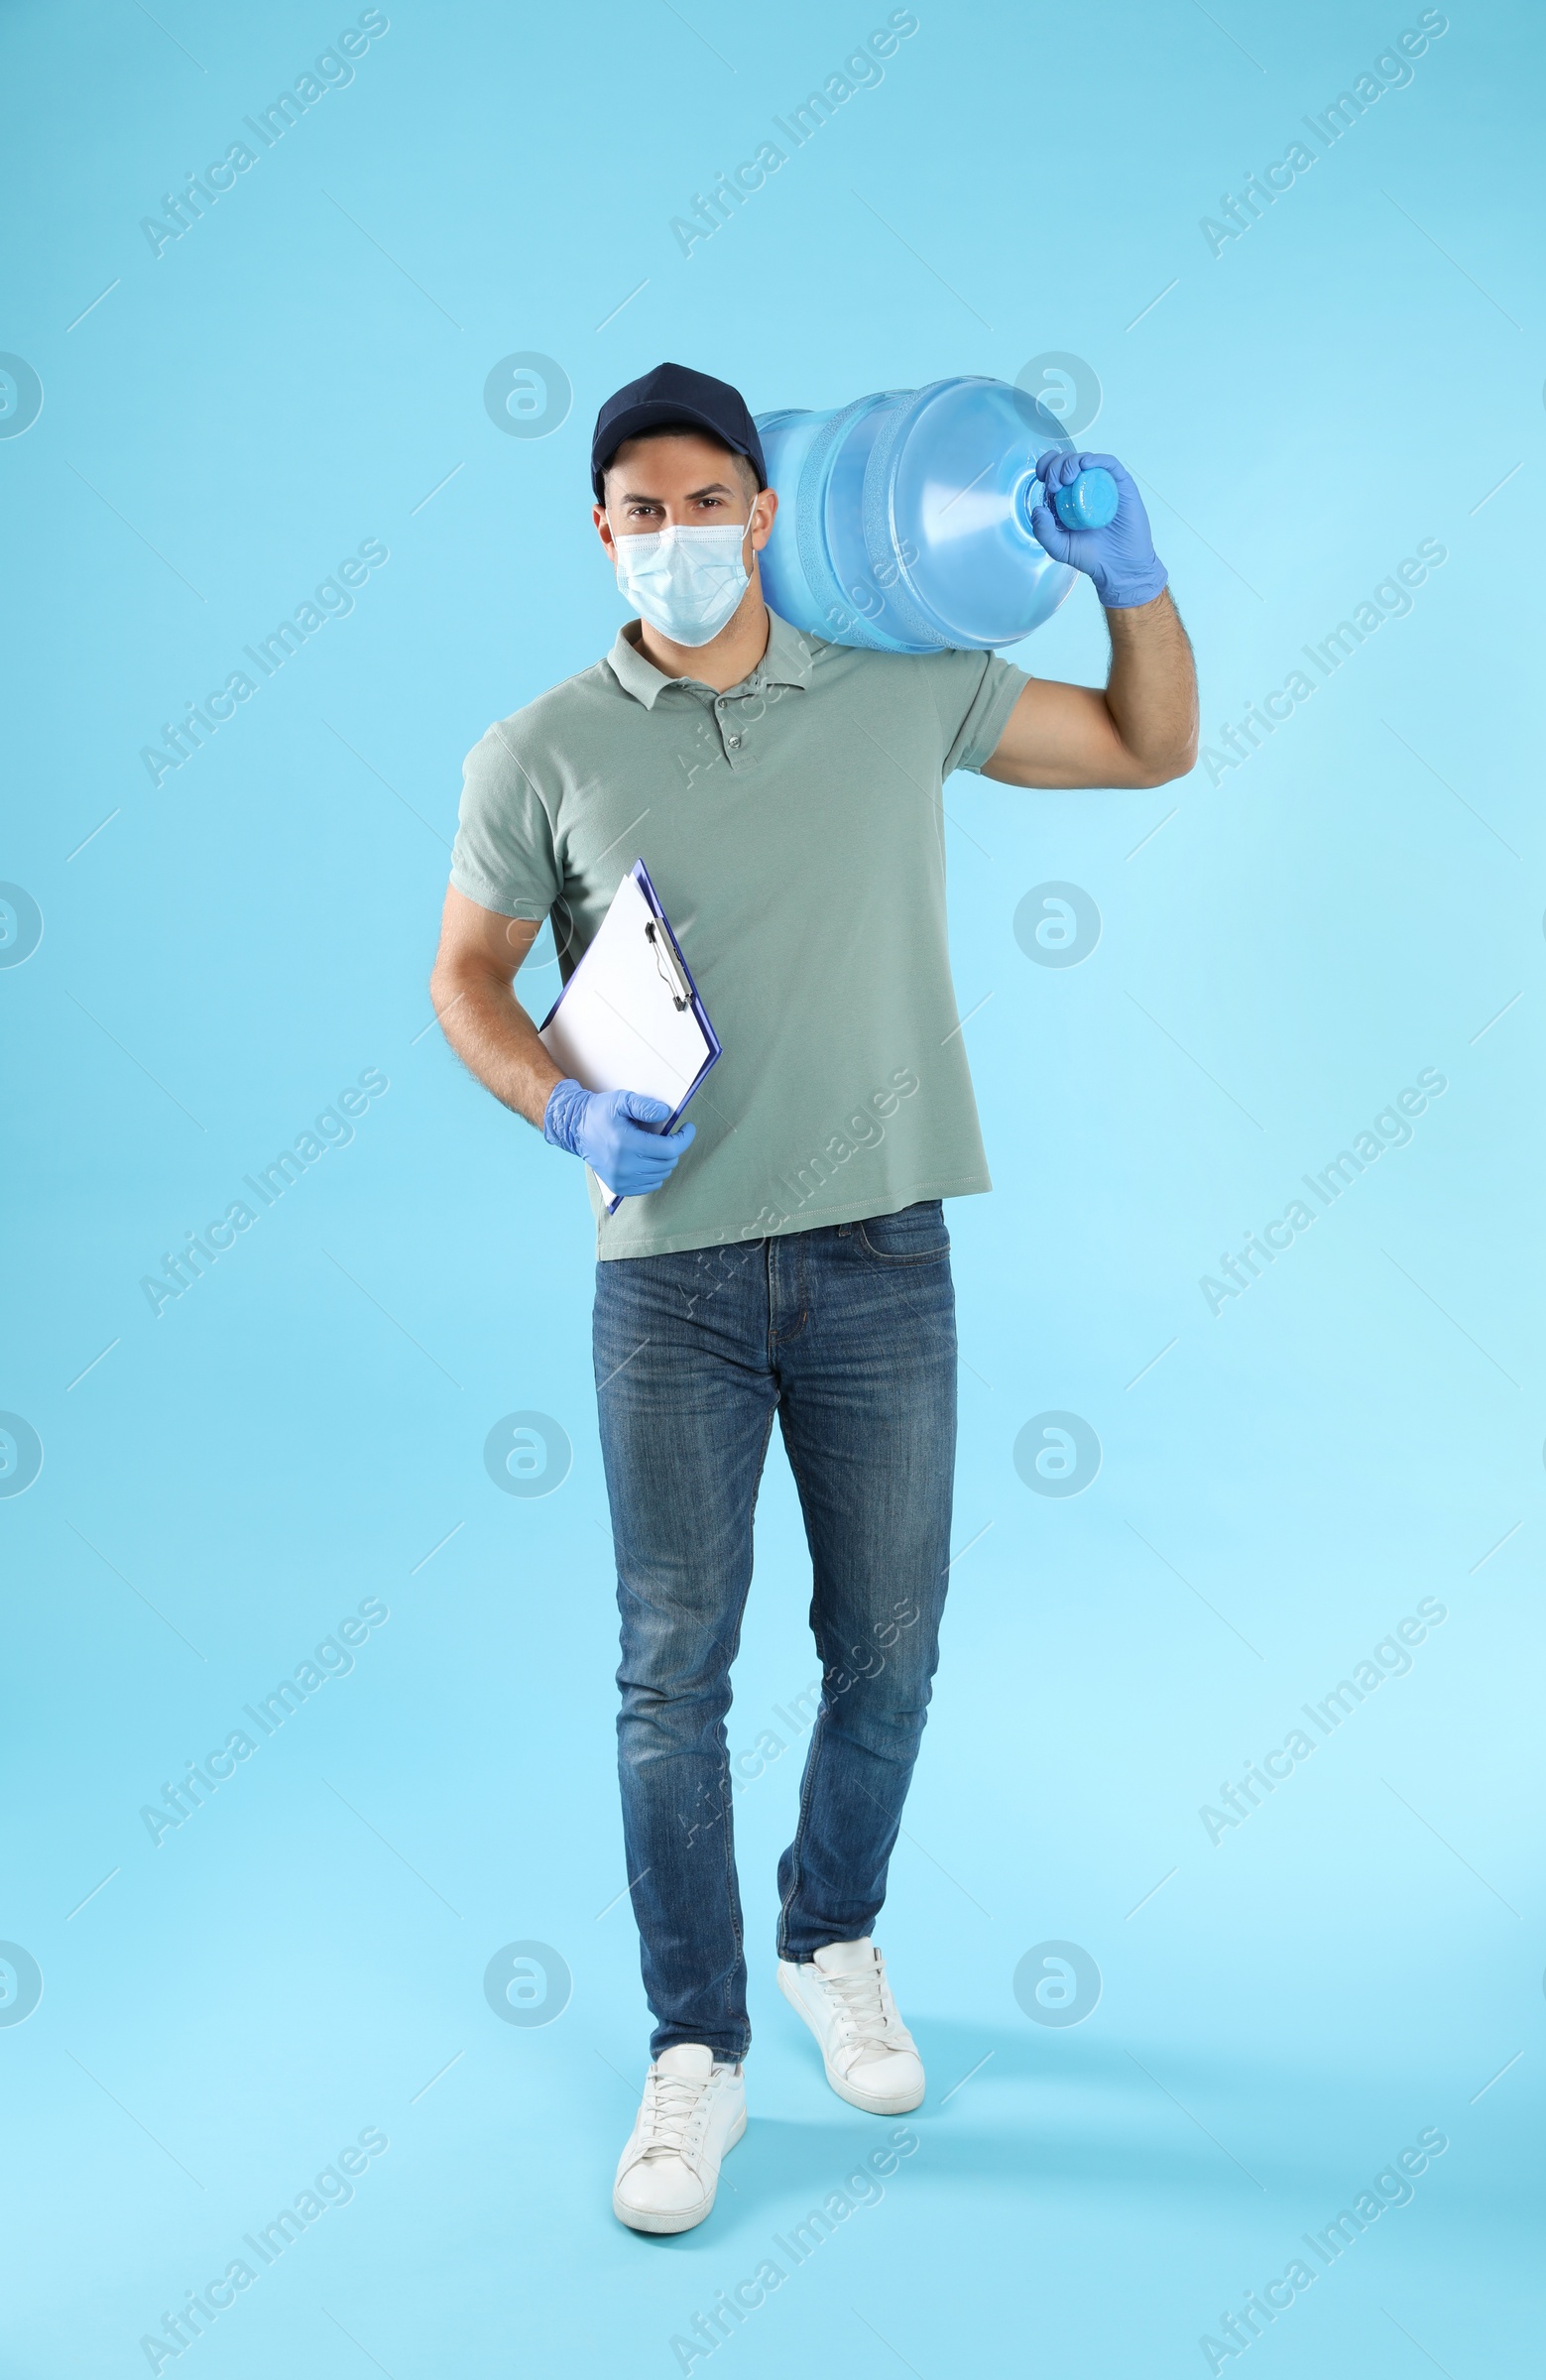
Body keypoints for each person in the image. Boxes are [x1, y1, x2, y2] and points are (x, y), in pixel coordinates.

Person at [430, 362, 1197, 2234]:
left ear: (768, 512)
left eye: (708, 503)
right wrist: (554, 1099)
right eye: (640, 511)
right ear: (598, 533)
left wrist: (1133, 576)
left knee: (892, 1654)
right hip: (666, 1280)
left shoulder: (903, 685)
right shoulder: (538, 749)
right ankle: (695, 2053)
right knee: (668, 1676)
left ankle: (829, 1934)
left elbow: (1148, 746)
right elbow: (465, 969)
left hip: (880, 1259)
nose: (676, 538)